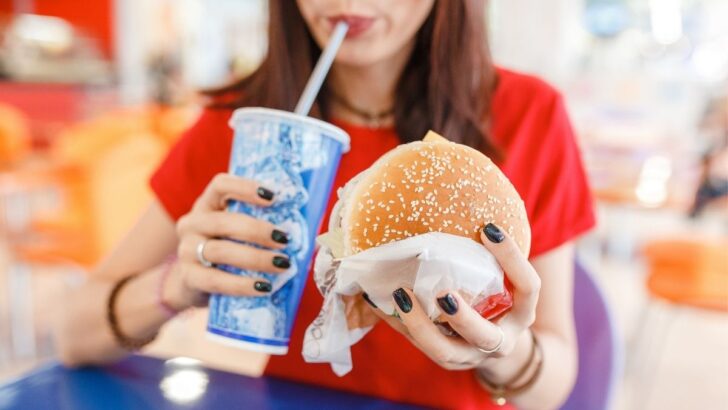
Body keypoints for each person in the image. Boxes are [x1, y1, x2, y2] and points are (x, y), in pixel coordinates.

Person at [54, 1, 595, 409]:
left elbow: (555, 380)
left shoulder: (528, 116)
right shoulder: (245, 130)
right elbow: (73, 335)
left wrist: (507, 352)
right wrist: (176, 285)